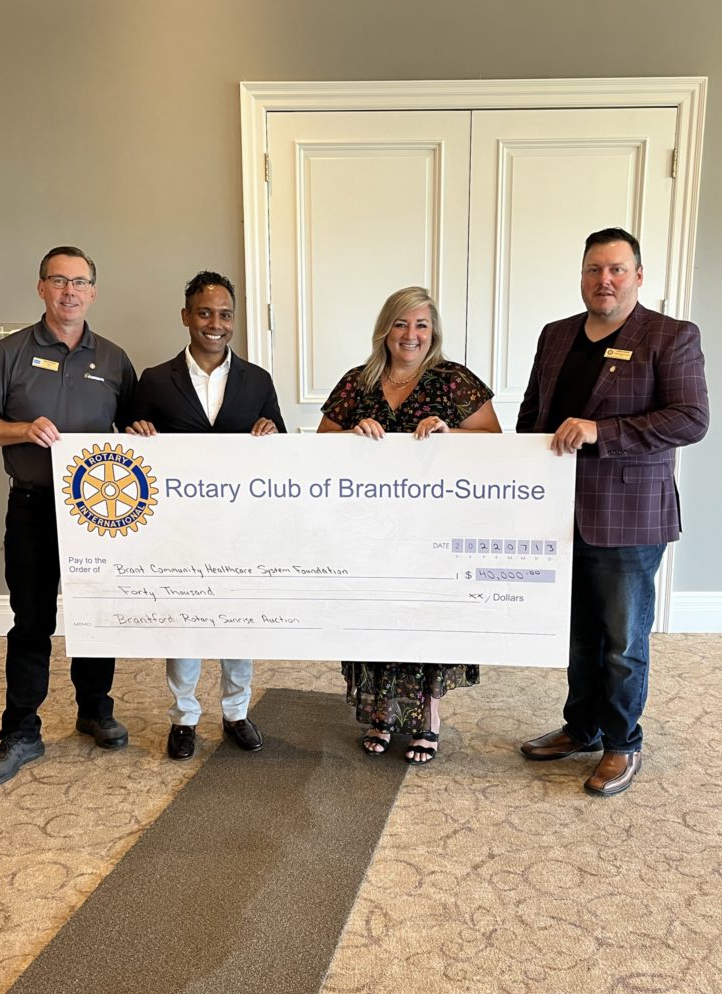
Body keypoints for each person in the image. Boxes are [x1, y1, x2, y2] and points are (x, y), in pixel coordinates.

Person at [517, 227, 709, 796]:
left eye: (617, 269)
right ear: (581, 275)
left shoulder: (671, 336)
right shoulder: (555, 335)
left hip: (629, 514)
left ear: (639, 276)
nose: (605, 280)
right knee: (578, 633)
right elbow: (534, 411)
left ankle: (623, 743)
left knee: (623, 640)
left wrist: (604, 431)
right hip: (559, 510)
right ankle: (583, 728)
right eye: (594, 269)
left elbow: (691, 419)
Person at [0, 245, 136, 786]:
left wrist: (143, 433)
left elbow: (135, 429)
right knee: (33, 620)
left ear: (93, 292)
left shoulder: (112, 359)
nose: (69, 292)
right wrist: (21, 430)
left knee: (96, 617)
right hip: (34, 505)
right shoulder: (9, 353)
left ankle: (94, 710)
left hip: (98, 513)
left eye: (80, 282)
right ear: (41, 288)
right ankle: (20, 732)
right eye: (58, 281)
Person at [317, 285, 501, 764]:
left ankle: (427, 721)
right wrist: (353, 436)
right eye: (401, 323)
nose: (411, 334)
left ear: (433, 331)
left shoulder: (453, 380)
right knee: (375, 614)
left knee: (425, 616)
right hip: (368, 527)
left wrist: (449, 432)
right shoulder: (357, 383)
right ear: (386, 329)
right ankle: (380, 715)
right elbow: (318, 448)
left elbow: (495, 441)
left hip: (433, 527)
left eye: (421, 324)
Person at [127, 271, 285, 760]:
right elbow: (126, 440)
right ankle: (184, 718)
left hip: (241, 527)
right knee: (186, 622)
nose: (215, 324)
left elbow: (280, 442)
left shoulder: (257, 379)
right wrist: (135, 431)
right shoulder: (154, 380)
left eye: (225, 314)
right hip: (180, 528)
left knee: (238, 620)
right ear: (186, 317)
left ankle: (237, 712)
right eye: (205, 313)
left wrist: (271, 430)